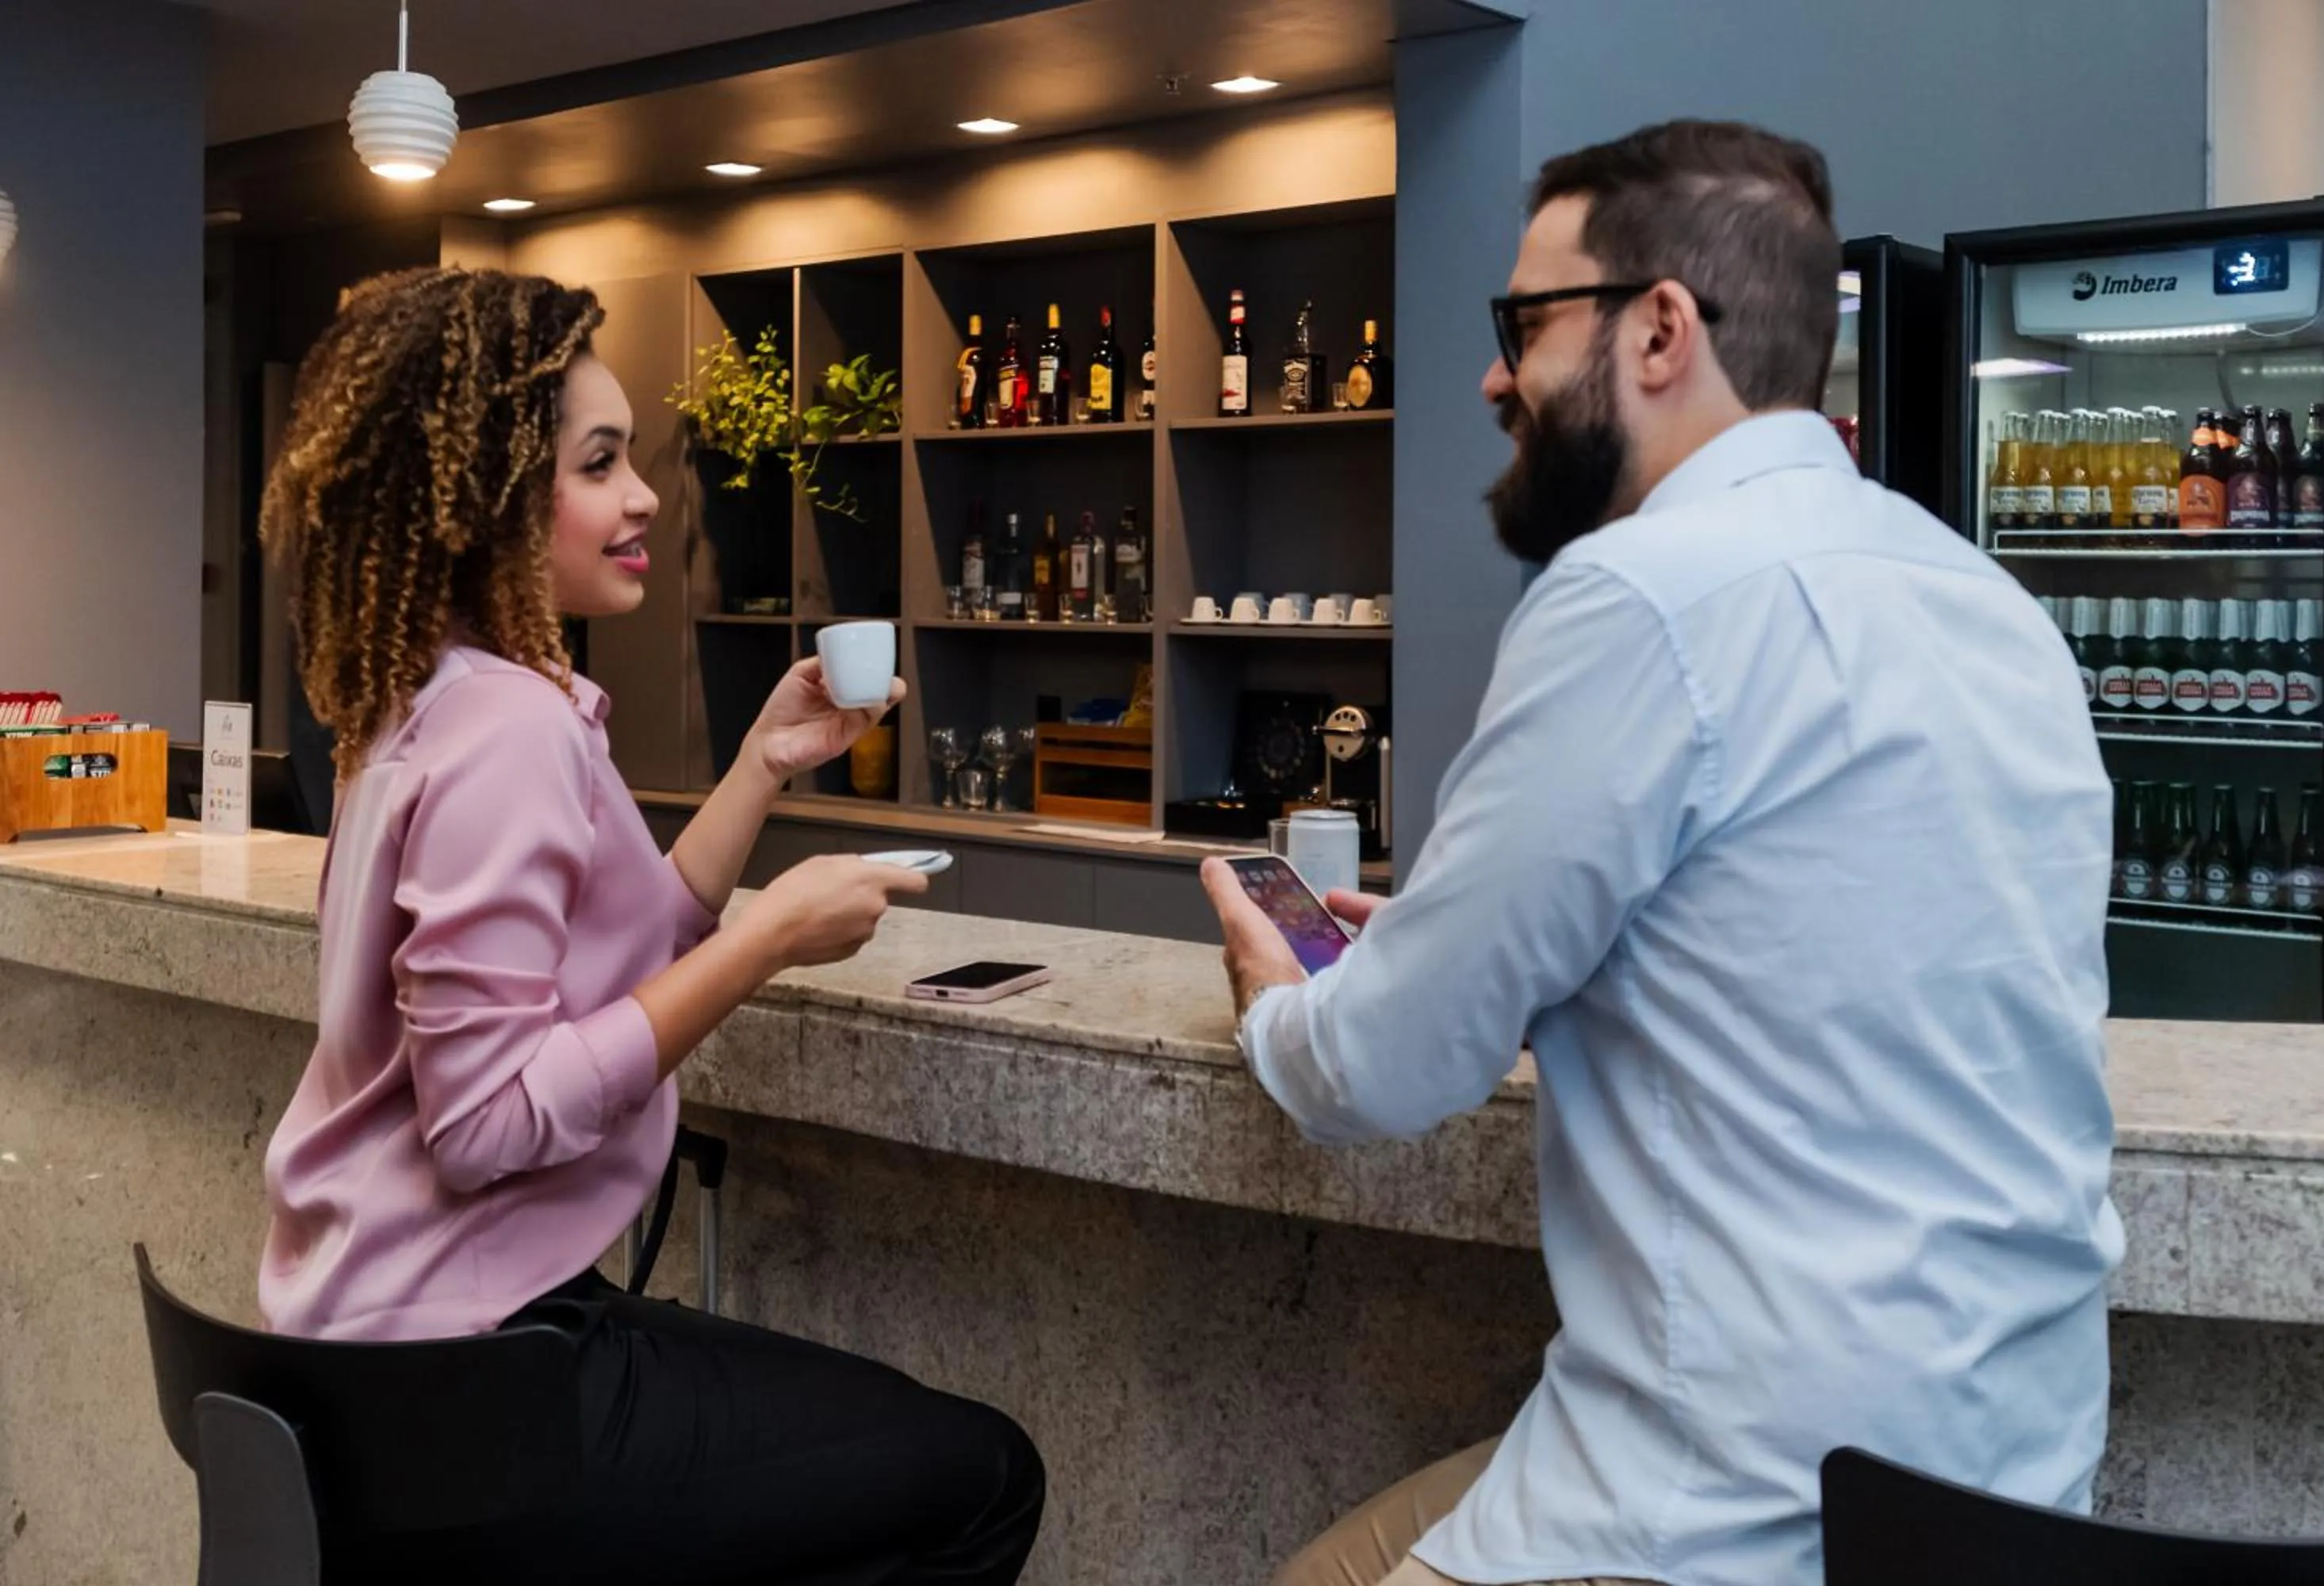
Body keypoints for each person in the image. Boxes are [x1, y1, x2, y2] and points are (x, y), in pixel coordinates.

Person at [1202, 120, 2123, 1586]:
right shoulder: (1986, 599)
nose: (1496, 377)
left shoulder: (1634, 596)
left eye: (1521, 325)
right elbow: (1797, 946)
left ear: (1658, 330)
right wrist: (1474, 944)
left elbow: (1381, 1073)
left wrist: (1276, 1000)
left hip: (1724, 1519)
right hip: (2009, 1495)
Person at [255, 266, 1043, 1586]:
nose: (642, 498)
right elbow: (488, 1123)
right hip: (464, 1385)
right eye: (601, 464)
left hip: (379, 1354)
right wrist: (767, 942)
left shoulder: (422, 704)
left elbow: (622, 944)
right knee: (982, 1479)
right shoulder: (505, 731)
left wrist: (760, 771)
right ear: (490, 498)